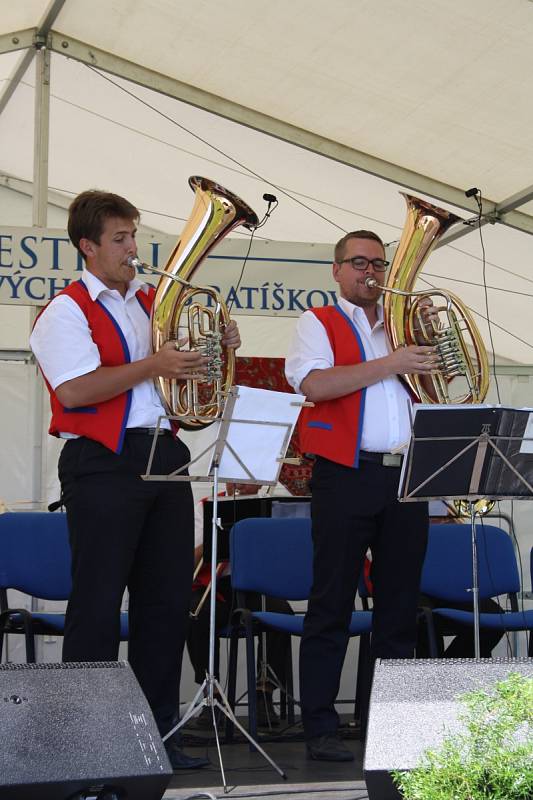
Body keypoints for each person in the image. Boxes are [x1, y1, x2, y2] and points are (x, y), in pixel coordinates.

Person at [30, 189, 241, 770]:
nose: (133, 249)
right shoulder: (64, 311)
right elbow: (74, 390)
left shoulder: (154, 303)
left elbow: (189, 384)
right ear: (88, 247)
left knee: (166, 603)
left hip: (165, 456)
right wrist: (155, 364)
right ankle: (86, 740)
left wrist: (215, 352)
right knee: (97, 605)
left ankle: (156, 735)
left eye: (134, 236)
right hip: (102, 461)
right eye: (120, 239)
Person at [285, 229, 439, 762]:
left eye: (377, 263)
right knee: (330, 604)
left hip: (407, 477)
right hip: (346, 475)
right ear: (336, 271)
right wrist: (392, 362)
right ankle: (320, 728)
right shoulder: (318, 322)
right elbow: (315, 386)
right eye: (358, 263)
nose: (369, 272)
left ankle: (388, 727)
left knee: (399, 611)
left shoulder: (406, 327)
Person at [187, 483, 293, 730]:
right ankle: (211, 698)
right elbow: (188, 560)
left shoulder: (273, 504)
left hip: (257, 585)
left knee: (281, 614)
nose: (237, 483)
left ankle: (264, 693)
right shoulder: (206, 507)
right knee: (197, 615)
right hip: (215, 584)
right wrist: (216, 540)